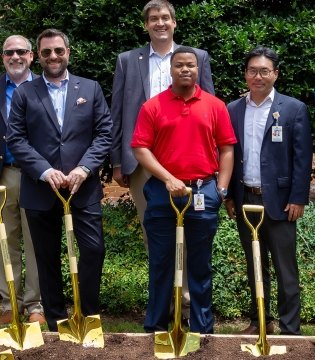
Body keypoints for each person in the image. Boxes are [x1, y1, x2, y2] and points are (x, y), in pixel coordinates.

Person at [110, 0, 214, 320]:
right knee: (154, 235)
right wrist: (117, 160)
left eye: (165, 17)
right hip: (143, 162)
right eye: (153, 18)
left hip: (187, 162)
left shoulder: (197, 58)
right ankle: (164, 304)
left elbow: (209, 108)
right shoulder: (128, 61)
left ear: (174, 22)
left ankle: (185, 305)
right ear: (146, 25)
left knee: (191, 231)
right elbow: (117, 114)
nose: (160, 23)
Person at [6, 28, 112, 331]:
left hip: (83, 187)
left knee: (93, 250)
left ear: (68, 52)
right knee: (46, 257)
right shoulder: (26, 93)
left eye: (58, 50)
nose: (53, 56)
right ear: (37, 56)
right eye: (47, 52)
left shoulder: (89, 89)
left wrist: (84, 168)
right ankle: (56, 321)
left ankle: (89, 316)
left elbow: (104, 133)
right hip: (41, 188)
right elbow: (17, 138)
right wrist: (44, 170)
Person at [131, 46, 236, 333]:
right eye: (179, 65)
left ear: (198, 69)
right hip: (163, 194)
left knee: (200, 264)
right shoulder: (152, 106)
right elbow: (141, 148)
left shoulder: (215, 106)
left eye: (190, 65)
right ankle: (156, 326)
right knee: (162, 262)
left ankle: (203, 327)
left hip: (203, 192)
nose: (185, 70)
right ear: (171, 69)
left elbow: (227, 149)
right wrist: (167, 178)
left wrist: (222, 189)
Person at [225, 46, 312, 335]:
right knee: (254, 264)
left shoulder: (293, 108)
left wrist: (298, 197)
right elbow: (228, 154)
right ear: (245, 74)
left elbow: (302, 157)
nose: (258, 76)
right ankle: (259, 320)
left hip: (281, 201)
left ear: (275, 74)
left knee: (286, 269)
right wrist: (229, 197)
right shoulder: (233, 109)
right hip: (245, 198)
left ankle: (290, 327)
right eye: (252, 71)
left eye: (264, 71)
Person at [0, 35, 44, 325]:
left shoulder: (44, 86)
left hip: (37, 175)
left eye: (21, 52)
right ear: (3, 57)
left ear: (31, 56)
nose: (15, 56)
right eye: (8, 52)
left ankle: (35, 305)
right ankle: (7, 303)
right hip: (4, 174)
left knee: (36, 240)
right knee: (5, 240)